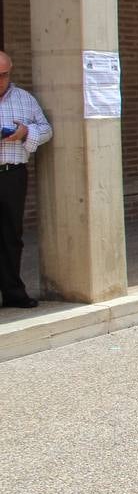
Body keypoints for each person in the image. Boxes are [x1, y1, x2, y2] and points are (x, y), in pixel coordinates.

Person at [0, 51, 53, 309]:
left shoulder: (24, 99)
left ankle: (13, 292)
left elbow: (46, 130)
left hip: (12, 175)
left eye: (3, 74)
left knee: (11, 235)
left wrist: (25, 132)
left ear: (11, 72)